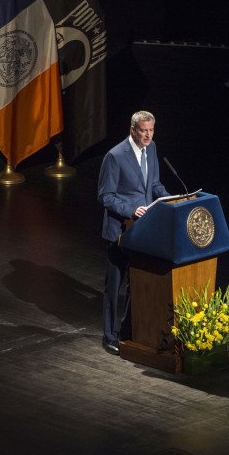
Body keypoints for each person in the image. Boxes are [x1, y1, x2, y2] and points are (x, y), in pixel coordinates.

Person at [97, 111, 170, 355]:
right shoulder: (115, 156)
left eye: (151, 130)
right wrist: (131, 209)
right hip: (119, 231)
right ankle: (109, 336)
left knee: (136, 283)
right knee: (114, 286)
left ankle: (127, 331)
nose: (148, 135)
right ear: (132, 130)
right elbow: (105, 196)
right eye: (143, 130)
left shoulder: (152, 148)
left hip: (143, 231)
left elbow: (155, 185)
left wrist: (172, 200)